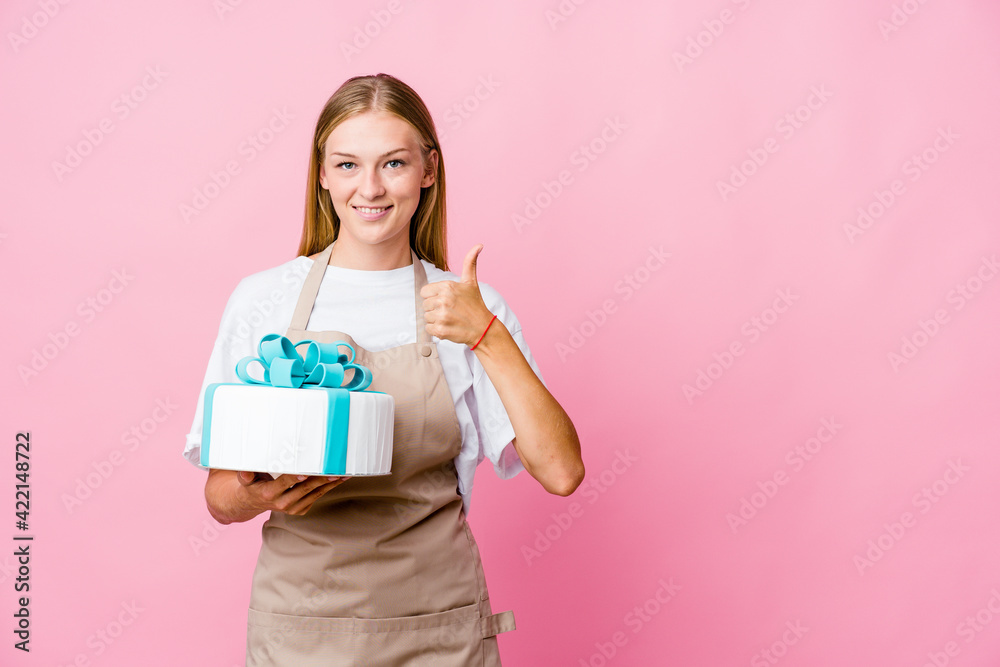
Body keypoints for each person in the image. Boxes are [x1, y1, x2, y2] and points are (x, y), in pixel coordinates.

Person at [183, 73, 584, 665]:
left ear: (429, 170)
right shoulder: (262, 300)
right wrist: (265, 495)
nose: (369, 187)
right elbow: (219, 496)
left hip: (438, 632)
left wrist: (486, 336)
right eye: (347, 165)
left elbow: (561, 472)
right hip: (301, 632)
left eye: (393, 163)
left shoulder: (471, 305)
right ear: (321, 173)